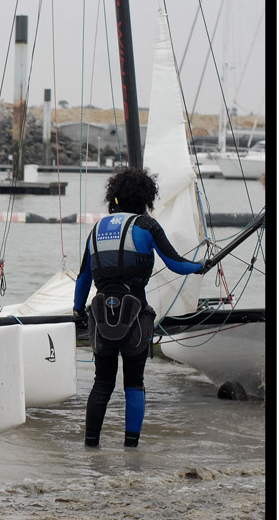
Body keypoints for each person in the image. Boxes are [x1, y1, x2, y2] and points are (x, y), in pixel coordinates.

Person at [73, 167, 204, 449]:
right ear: (146, 197)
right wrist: (201, 266)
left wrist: (76, 312)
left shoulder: (96, 229)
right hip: (135, 318)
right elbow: (176, 264)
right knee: (134, 383)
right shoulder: (147, 226)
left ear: (114, 197)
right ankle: (131, 450)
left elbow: (83, 278)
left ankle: (90, 447)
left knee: (102, 383)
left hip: (101, 319)